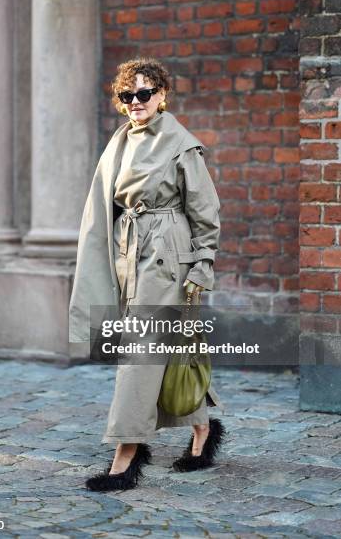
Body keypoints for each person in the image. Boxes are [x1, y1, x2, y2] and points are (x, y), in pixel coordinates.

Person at [69, 57, 225, 491]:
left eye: (145, 92)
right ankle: (203, 430)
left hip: (165, 255)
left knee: (140, 351)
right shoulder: (120, 142)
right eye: (127, 94)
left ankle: (125, 457)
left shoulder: (180, 143)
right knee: (168, 348)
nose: (136, 101)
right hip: (129, 253)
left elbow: (205, 211)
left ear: (162, 95)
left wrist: (201, 265)